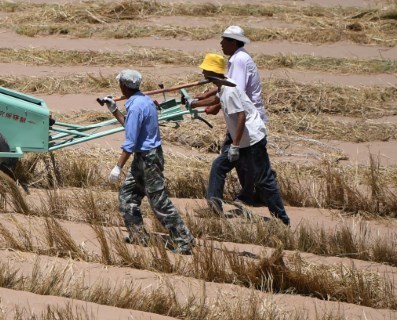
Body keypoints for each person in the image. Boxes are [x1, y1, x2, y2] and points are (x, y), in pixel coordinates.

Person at [100, 69, 195, 254]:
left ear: (124, 86)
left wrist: (118, 167)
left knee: (158, 201)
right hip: (144, 157)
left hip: (149, 158)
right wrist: (113, 110)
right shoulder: (144, 101)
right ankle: (138, 235)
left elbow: (130, 142)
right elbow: (130, 125)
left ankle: (185, 240)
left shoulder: (136, 106)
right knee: (127, 197)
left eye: (120, 84)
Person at [189, 54, 289, 225]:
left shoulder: (230, 91)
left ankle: (281, 219)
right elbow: (216, 99)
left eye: (205, 70)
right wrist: (194, 103)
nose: (203, 73)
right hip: (242, 138)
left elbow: (241, 117)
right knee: (218, 166)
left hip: (252, 139)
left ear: (212, 72)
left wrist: (234, 146)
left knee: (264, 179)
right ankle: (214, 208)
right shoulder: (224, 84)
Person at [197, 25, 266, 211]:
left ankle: (218, 202)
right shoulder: (237, 58)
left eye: (224, 40)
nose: (221, 43)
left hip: (246, 120)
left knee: (225, 160)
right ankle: (254, 194)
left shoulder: (239, 60)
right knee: (244, 160)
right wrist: (203, 98)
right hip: (243, 118)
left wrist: (215, 106)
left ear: (233, 42)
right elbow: (225, 85)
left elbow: (235, 91)